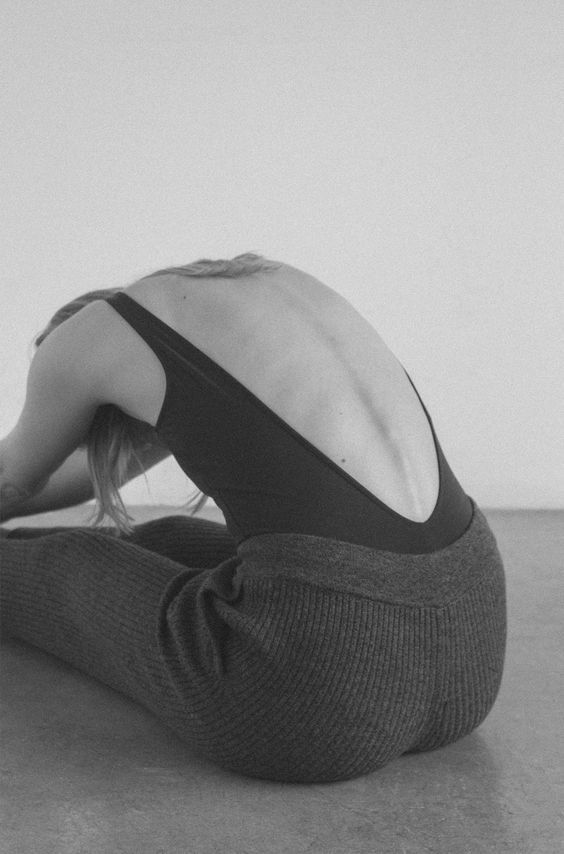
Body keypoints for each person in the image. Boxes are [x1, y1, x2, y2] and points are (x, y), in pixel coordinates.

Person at [0, 253, 506, 783]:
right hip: (470, 647)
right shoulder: (273, 289)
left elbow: (15, 478)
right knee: (163, 537)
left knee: (67, 564)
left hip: (314, 697)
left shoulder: (84, 341)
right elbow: (118, 461)